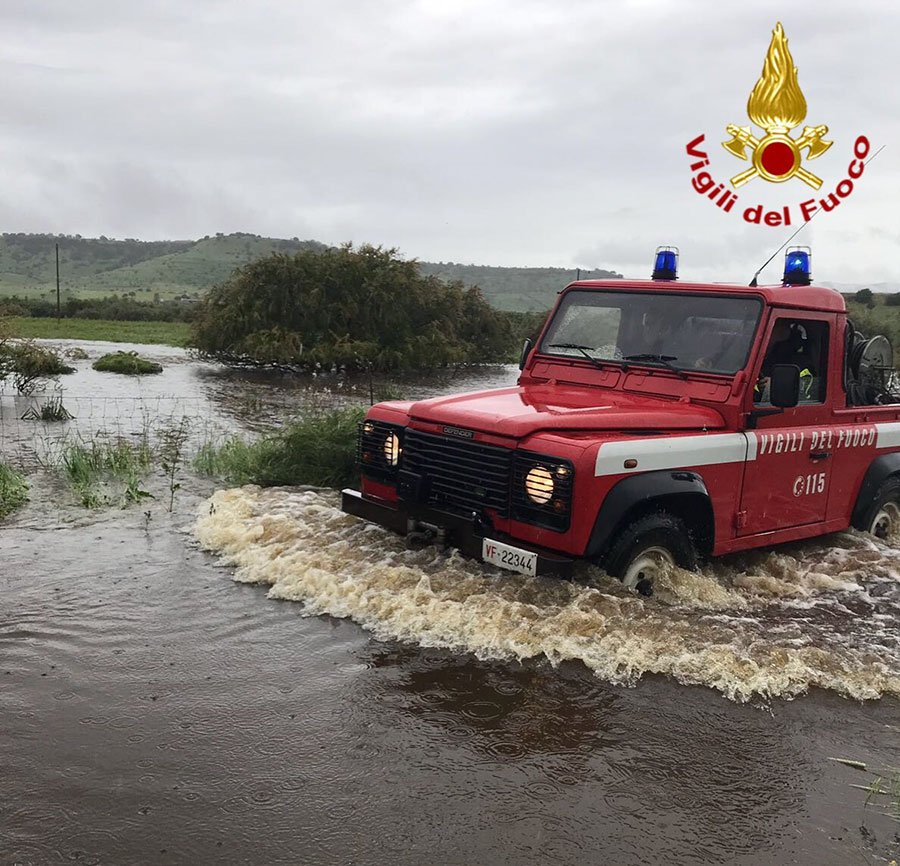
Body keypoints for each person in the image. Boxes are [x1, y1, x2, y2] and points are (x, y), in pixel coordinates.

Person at [756, 320, 816, 402]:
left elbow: (807, 394)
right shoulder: (760, 357)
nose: (758, 334)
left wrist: (776, 387)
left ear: (784, 332)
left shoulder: (802, 364)